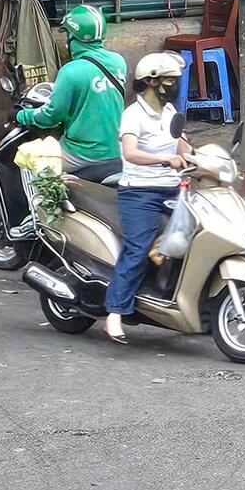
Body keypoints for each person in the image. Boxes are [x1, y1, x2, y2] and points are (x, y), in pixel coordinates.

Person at [8, 4, 127, 239]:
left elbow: (50, 115)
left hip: (83, 152)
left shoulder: (71, 72)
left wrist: (21, 116)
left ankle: (38, 218)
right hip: (117, 149)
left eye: (68, 36)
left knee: (30, 160)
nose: (67, 41)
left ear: (75, 37)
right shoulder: (119, 62)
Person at [106, 53, 192, 345]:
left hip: (173, 189)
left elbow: (185, 147)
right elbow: (130, 152)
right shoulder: (133, 115)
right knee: (138, 247)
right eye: (170, 81)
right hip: (139, 192)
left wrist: (203, 159)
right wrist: (166, 160)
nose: (175, 86)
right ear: (151, 82)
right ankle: (115, 312)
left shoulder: (169, 113)